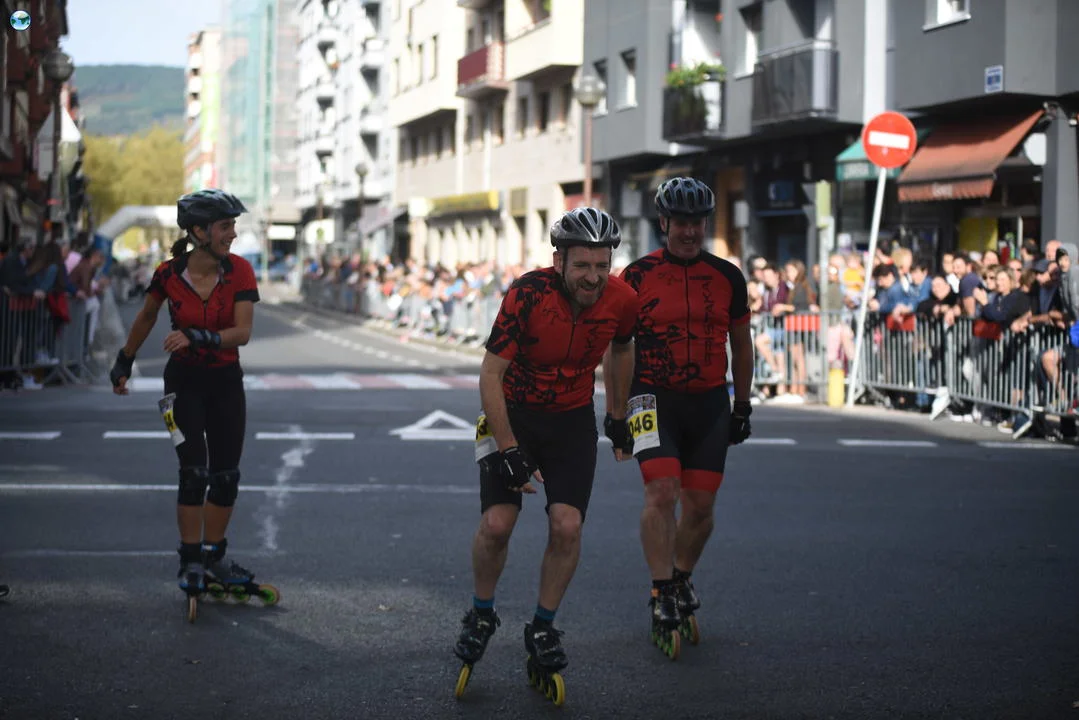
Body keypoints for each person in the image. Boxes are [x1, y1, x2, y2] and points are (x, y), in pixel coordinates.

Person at [453, 207, 639, 696]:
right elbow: (490, 373)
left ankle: (543, 625)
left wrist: (617, 414)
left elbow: (623, 348)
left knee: (567, 525)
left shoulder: (622, 299)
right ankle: (481, 612)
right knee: (497, 524)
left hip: (571, 420)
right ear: (559, 261)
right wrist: (509, 447)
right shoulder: (527, 293)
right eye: (582, 265)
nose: (593, 277)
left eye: (602, 265)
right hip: (512, 412)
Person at [605, 176, 754, 653]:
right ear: (664, 222)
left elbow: (741, 343)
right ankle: (660, 589)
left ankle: (682, 574)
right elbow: (617, 348)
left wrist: (743, 404)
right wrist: (615, 413)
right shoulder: (635, 276)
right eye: (681, 222)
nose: (690, 231)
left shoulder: (728, 276)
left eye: (697, 222)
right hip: (651, 398)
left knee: (701, 506)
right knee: (661, 491)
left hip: (709, 400)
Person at [109, 189, 263, 601]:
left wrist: (197, 336)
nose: (233, 234)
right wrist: (124, 360)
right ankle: (191, 559)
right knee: (193, 473)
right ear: (199, 231)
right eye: (225, 226)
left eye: (233, 225)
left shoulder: (241, 272)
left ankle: (214, 556)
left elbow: (242, 333)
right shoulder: (167, 274)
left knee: (225, 477)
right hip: (181, 386)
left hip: (226, 383)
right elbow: (146, 316)